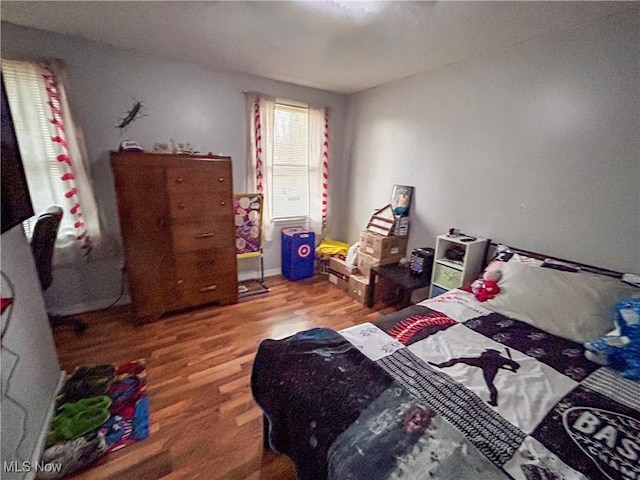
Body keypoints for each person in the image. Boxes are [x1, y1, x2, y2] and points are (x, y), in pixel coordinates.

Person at [429, 349, 520, 407]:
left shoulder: (498, 358)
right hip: (484, 364)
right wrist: (512, 366)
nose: (484, 352)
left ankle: (494, 401)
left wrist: (512, 366)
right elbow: (515, 364)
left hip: (487, 366)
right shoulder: (501, 359)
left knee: (489, 383)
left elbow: (515, 365)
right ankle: (441, 365)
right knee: (489, 383)